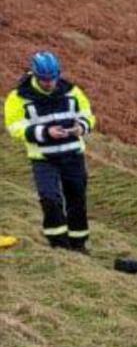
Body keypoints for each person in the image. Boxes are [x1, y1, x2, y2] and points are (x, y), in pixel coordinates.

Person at [4, 51, 95, 251]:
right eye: (44, 80)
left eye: (52, 79)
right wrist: (45, 132)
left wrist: (82, 127)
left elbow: (88, 114)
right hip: (43, 158)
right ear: (35, 75)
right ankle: (59, 245)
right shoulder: (18, 98)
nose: (49, 83)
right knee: (50, 199)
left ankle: (79, 244)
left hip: (73, 155)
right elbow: (14, 127)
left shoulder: (72, 91)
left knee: (77, 199)